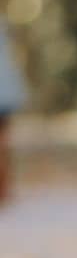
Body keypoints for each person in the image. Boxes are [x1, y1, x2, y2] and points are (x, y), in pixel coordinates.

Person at [0, 23, 27, 204]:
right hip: (7, 97)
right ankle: (5, 190)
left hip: (5, 98)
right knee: (4, 148)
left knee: (3, 147)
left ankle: (4, 190)